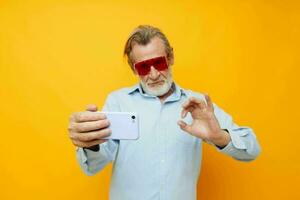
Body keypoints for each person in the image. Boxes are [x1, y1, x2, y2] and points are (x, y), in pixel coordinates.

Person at [68, 25, 261, 200]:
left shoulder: (198, 105)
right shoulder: (118, 102)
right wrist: (91, 144)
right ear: (133, 69)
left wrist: (219, 137)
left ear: (170, 58)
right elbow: (92, 167)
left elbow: (252, 149)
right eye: (143, 67)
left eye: (159, 63)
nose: (153, 74)